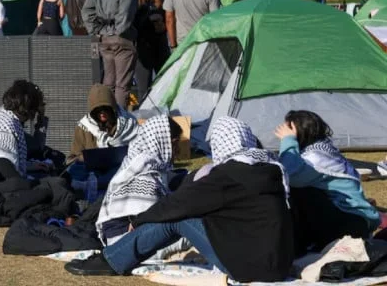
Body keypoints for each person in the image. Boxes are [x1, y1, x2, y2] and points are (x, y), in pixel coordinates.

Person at [65, 117, 294, 283]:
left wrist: (140, 220)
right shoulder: (272, 169)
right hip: (279, 265)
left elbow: (179, 205)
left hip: (248, 267)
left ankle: (111, 261)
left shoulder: (228, 174)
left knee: (176, 219)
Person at [275, 110, 380, 256]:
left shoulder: (317, 157)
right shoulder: (322, 150)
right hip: (352, 221)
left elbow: (288, 175)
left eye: (289, 130)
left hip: (350, 224)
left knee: (300, 192)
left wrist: (288, 141)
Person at [96, 115, 182, 246]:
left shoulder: (137, 163)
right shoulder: (145, 174)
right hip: (124, 243)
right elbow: (155, 222)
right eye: (175, 144)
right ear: (163, 142)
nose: (179, 151)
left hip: (129, 238)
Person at [82, 0, 138, 108]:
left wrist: (97, 29)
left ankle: (104, 118)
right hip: (122, 38)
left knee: (109, 82)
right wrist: (119, 29)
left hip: (104, 38)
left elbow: (86, 10)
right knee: (122, 85)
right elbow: (126, 12)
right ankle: (119, 121)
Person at [134, 0, 169, 101]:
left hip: (160, 46)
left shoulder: (158, 0)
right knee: (143, 88)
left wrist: (162, 23)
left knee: (164, 83)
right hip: (142, 48)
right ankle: (142, 116)